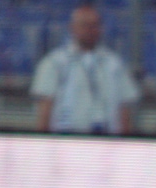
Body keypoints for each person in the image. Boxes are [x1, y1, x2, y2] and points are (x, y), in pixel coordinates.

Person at [30, 4, 140, 135]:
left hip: (107, 143)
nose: (90, 30)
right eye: (84, 25)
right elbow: (44, 110)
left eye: (94, 25)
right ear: (72, 28)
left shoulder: (114, 65)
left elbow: (125, 110)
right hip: (66, 141)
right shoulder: (53, 63)